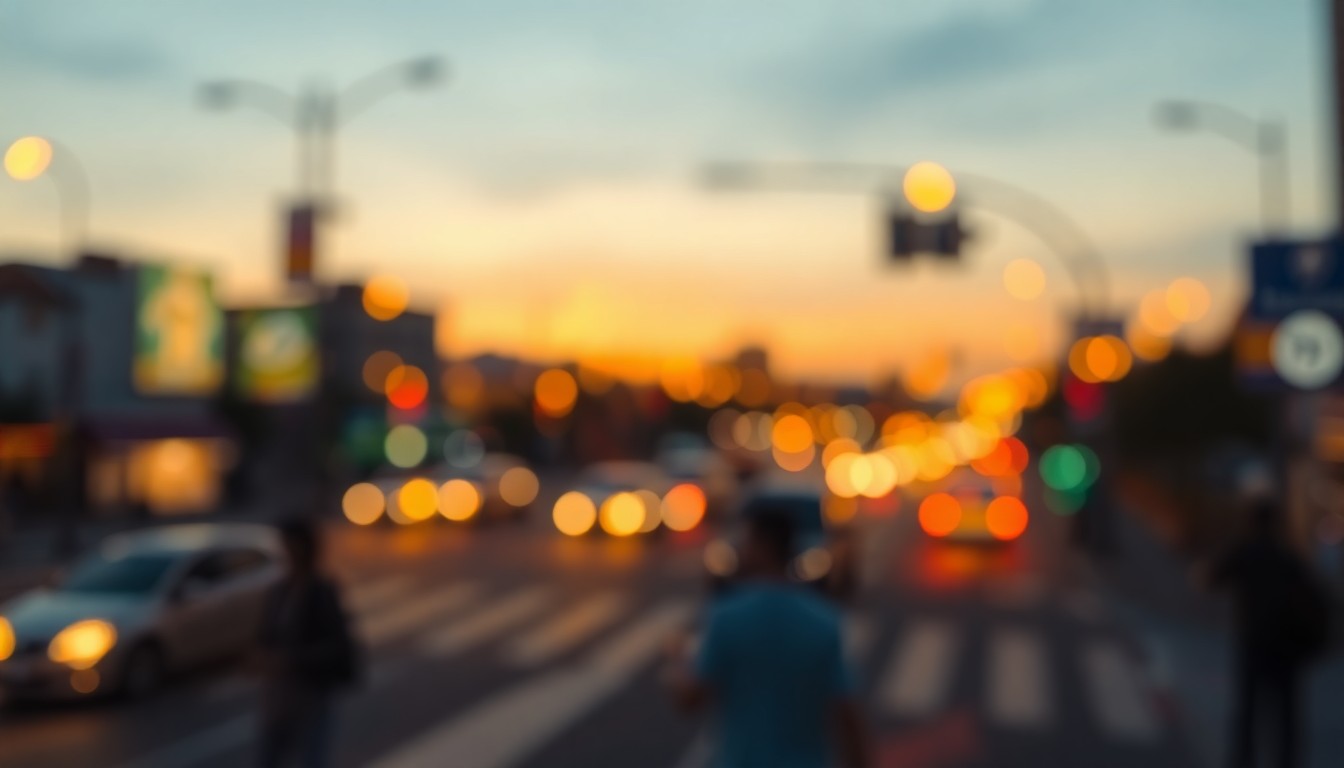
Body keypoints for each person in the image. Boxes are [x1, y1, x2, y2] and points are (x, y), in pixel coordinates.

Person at [667, 509, 869, 768]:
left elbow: (690, 698)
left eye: (748, 542)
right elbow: (847, 715)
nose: (742, 550)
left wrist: (677, 660)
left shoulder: (727, 617)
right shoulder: (823, 621)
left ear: (763, 547)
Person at [1211, 502, 1329, 768]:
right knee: (1286, 714)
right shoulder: (1288, 556)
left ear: (1251, 522)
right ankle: (1286, 761)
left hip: (1254, 642)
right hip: (1286, 648)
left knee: (1248, 709)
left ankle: (1243, 759)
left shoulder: (1245, 551)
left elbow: (1212, 578)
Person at [256, 518, 361, 768]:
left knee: (312, 758)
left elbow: (338, 645)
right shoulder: (279, 590)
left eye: (290, 544)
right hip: (278, 695)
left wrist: (291, 659)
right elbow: (266, 635)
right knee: (269, 756)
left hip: (312, 693)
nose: (286, 551)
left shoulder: (321, 591)